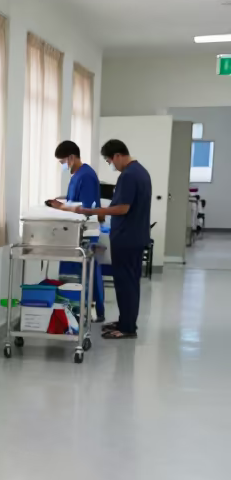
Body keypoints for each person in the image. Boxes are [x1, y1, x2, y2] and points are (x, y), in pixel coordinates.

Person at [70, 138, 151, 339]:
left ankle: (127, 328)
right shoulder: (140, 171)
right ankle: (126, 321)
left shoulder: (129, 175)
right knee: (127, 282)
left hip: (127, 238)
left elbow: (123, 208)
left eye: (109, 161)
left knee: (126, 283)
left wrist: (94, 210)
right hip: (133, 236)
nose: (111, 165)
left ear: (117, 155)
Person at [48, 140, 105, 322]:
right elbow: (76, 199)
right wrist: (63, 200)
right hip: (74, 232)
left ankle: (95, 310)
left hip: (86, 232)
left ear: (71, 157)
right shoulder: (77, 174)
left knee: (88, 273)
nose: (63, 165)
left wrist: (61, 207)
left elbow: (86, 208)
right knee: (72, 275)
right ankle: (74, 309)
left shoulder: (86, 175)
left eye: (62, 162)